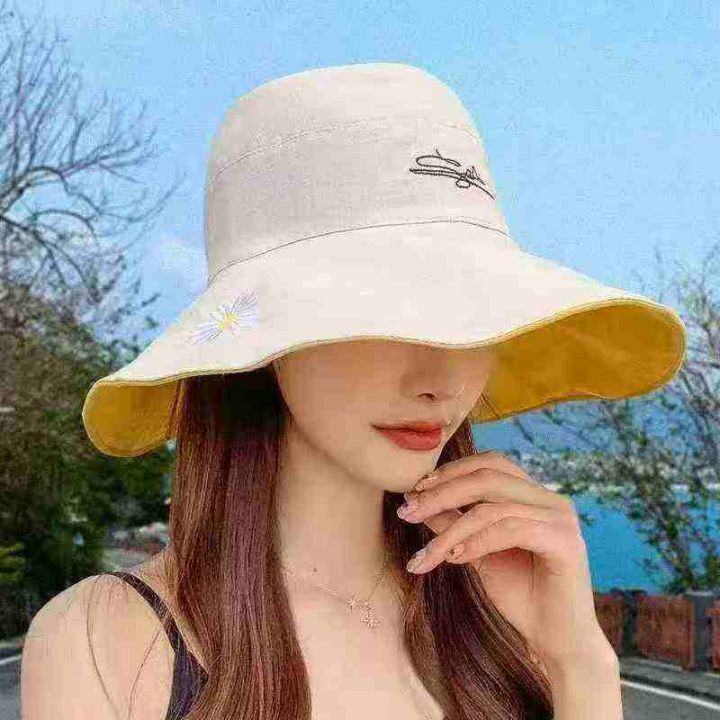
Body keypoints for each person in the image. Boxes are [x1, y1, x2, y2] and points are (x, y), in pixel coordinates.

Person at [21, 62, 686, 720]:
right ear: (269, 343)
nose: (441, 379)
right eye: (384, 314)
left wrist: (581, 663)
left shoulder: (507, 627)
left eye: (472, 318)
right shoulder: (104, 642)